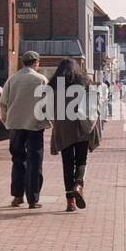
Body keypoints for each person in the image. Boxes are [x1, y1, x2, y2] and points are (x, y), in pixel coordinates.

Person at [0, 51, 50, 208]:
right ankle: (33, 199)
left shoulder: (12, 79)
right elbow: (47, 103)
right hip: (34, 125)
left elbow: (3, 102)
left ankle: (17, 196)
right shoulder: (41, 80)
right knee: (35, 162)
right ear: (35, 62)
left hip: (15, 125)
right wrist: (47, 121)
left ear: (22, 62)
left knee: (17, 160)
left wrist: (6, 120)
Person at [49, 60, 102, 212]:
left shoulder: (54, 87)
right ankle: (78, 184)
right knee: (81, 160)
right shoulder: (85, 84)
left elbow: (46, 109)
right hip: (82, 128)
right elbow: (94, 104)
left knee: (67, 164)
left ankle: (70, 202)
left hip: (63, 129)